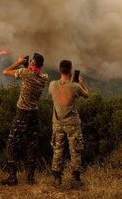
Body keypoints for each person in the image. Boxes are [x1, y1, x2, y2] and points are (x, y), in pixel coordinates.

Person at [1, 53, 48, 186]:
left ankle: (12, 177)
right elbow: (36, 72)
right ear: (41, 66)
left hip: (22, 112)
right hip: (34, 113)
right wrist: (28, 65)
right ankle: (30, 178)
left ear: (32, 65)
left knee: (12, 144)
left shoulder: (25, 73)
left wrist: (18, 62)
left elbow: (5, 72)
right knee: (31, 144)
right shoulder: (44, 78)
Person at [48, 60, 89, 188]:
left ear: (60, 70)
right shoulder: (76, 87)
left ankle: (57, 178)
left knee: (57, 151)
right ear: (71, 70)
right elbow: (86, 95)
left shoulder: (52, 85)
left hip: (57, 124)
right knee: (75, 151)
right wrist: (81, 83)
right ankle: (75, 179)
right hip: (72, 124)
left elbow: (62, 91)